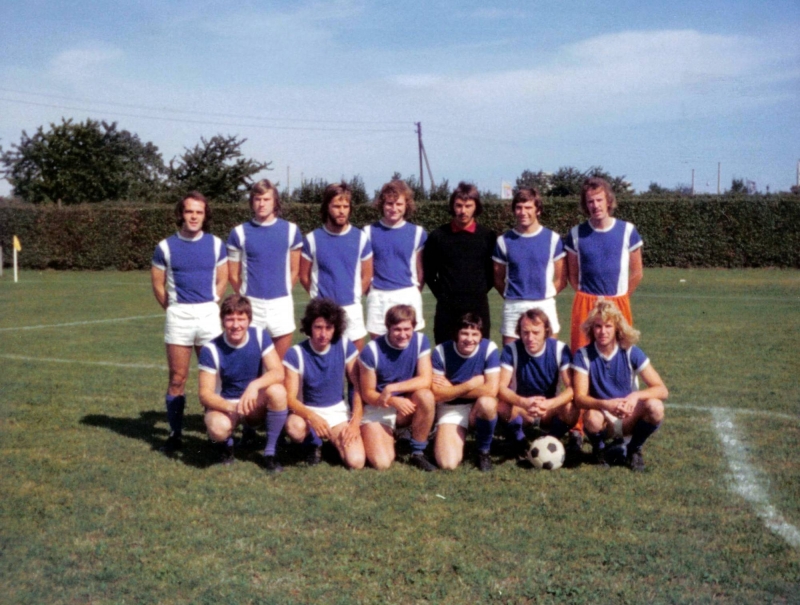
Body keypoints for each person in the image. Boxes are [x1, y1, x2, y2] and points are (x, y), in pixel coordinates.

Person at [151, 192, 228, 453]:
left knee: (213, 380)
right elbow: (158, 285)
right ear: (181, 214)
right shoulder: (165, 247)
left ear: (205, 216)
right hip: (179, 317)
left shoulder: (217, 244)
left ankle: (214, 433)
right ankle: (175, 434)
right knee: (177, 378)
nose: (194, 216)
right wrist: (174, 309)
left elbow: (222, 280)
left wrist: (211, 303)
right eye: (189, 211)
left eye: (199, 212)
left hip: (208, 315)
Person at [572, 299, 667, 471]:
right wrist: (605, 404)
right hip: (603, 418)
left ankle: (634, 449)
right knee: (592, 418)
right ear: (592, 329)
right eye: (598, 326)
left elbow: (661, 389)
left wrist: (634, 396)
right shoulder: (583, 355)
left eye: (608, 326)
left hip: (628, 416)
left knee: (656, 407)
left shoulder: (630, 351)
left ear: (617, 327)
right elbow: (579, 398)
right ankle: (600, 449)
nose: (603, 332)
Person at [197, 295, 288, 472]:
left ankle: (270, 452)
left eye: (241, 319)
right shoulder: (211, 349)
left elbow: (278, 372)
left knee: (278, 391)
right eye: (230, 319)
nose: (236, 325)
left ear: (249, 320)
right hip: (227, 405)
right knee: (217, 427)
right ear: (223, 321)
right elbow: (205, 394)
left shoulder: (260, 336)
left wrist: (254, 386)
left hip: (253, 401)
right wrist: (231, 407)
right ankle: (226, 446)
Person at [283, 299, 366, 469]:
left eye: (329, 328)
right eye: (318, 327)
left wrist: (355, 422)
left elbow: (358, 386)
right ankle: (312, 443)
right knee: (294, 427)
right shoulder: (296, 353)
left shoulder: (344, 345)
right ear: (309, 327)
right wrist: (312, 417)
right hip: (308, 413)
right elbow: (290, 399)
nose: (323, 334)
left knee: (356, 462)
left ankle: (331, 441)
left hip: (337, 413)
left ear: (335, 328)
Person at [564, 177, 643, 353]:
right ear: (585, 205)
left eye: (599, 200)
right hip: (586, 305)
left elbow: (637, 272)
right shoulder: (576, 234)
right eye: (590, 201)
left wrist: (621, 298)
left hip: (618, 302)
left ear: (608, 201)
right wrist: (587, 298)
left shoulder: (627, 230)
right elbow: (572, 275)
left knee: (621, 354)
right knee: (582, 355)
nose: (595, 205)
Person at [226, 179, 303, 359]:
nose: (262, 204)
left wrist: (282, 291)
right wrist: (246, 297)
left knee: (280, 365)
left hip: (281, 304)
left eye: (266, 199)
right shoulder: (238, 232)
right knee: (251, 365)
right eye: (257, 199)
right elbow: (232, 274)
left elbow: (295, 271)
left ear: (275, 201)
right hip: (251, 305)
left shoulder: (291, 230)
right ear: (252, 202)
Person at [358, 305, 436, 471]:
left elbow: (425, 379)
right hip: (379, 406)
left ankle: (418, 452)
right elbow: (367, 394)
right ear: (388, 328)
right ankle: (379, 434)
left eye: (407, 329)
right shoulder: (371, 350)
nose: (403, 335)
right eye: (397, 330)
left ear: (414, 327)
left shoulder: (421, 340)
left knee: (426, 396)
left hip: (404, 404)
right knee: (382, 463)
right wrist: (392, 400)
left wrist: (392, 388)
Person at [497, 309, 579, 462]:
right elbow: (501, 388)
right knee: (500, 404)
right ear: (519, 332)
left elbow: (571, 389)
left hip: (548, 410)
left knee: (572, 407)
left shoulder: (559, 349)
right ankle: (519, 440)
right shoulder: (511, 350)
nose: (530, 338)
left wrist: (549, 404)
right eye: (525, 332)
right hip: (522, 408)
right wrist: (523, 402)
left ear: (546, 331)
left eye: (536, 332)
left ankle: (552, 439)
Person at [300, 181, 373, 351]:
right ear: (327, 207)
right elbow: (304, 275)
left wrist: (353, 296)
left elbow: (367, 275)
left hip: (351, 311)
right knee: (322, 366)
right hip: (321, 313)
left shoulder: (360, 238)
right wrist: (318, 297)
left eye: (345, 206)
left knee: (355, 371)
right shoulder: (312, 238)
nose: (341, 211)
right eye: (336, 206)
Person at [423, 182, 496, 344]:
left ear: (476, 207)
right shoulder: (438, 236)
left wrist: (477, 291)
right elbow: (429, 272)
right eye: (459, 205)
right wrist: (444, 295)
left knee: (478, 355)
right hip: (447, 309)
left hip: (478, 306)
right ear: (452, 206)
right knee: (445, 357)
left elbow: (492, 273)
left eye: (468, 206)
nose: (463, 211)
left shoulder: (488, 236)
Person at [493, 187, 566, 345]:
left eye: (528, 207)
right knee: (511, 360)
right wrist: (514, 297)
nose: (523, 212)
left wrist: (544, 295)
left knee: (549, 357)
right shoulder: (503, 241)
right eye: (519, 207)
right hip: (514, 305)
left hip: (544, 304)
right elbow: (498, 279)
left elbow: (561, 279)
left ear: (538, 210)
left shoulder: (553, 239)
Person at [430, 313, 500, 471]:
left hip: (477, 406)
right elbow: (437, 394)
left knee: (488, 403)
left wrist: (451, 389)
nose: (470, 339)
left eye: (475, 334)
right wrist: (469, 385)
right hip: (450, 408)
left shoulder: (489, 348)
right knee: (447, 464)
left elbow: (491, 390)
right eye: (464, 333)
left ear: (481, 335)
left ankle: (483, 451)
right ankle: (441, 434)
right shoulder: (441, 351)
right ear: (456, 333)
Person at [363, 179, 427, 339]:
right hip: (379, 296)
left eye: (399, 204)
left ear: (407, 205)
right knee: (379, 350)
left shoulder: (418, 233)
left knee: (409, 348)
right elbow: (364, 270)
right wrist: (371, 293)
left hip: (407, 294)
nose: (394, 208)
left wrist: (412, 292)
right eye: (389, 204)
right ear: (381, 204)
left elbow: (420, 271)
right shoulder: (368, 232)